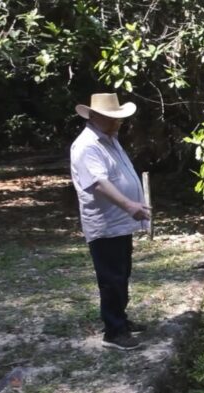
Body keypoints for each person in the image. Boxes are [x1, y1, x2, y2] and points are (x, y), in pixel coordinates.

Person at [70, 93, 151, 350]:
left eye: (119, 118)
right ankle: (114, 333)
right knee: (111, 277)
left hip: (119, 222)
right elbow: (99, 184)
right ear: (94, 117)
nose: (119, 123)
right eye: (112, 118)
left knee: (121, 273)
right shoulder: (87, 146)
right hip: (106, 224)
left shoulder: (109, 140)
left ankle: (121, 321)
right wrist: (129, 205)